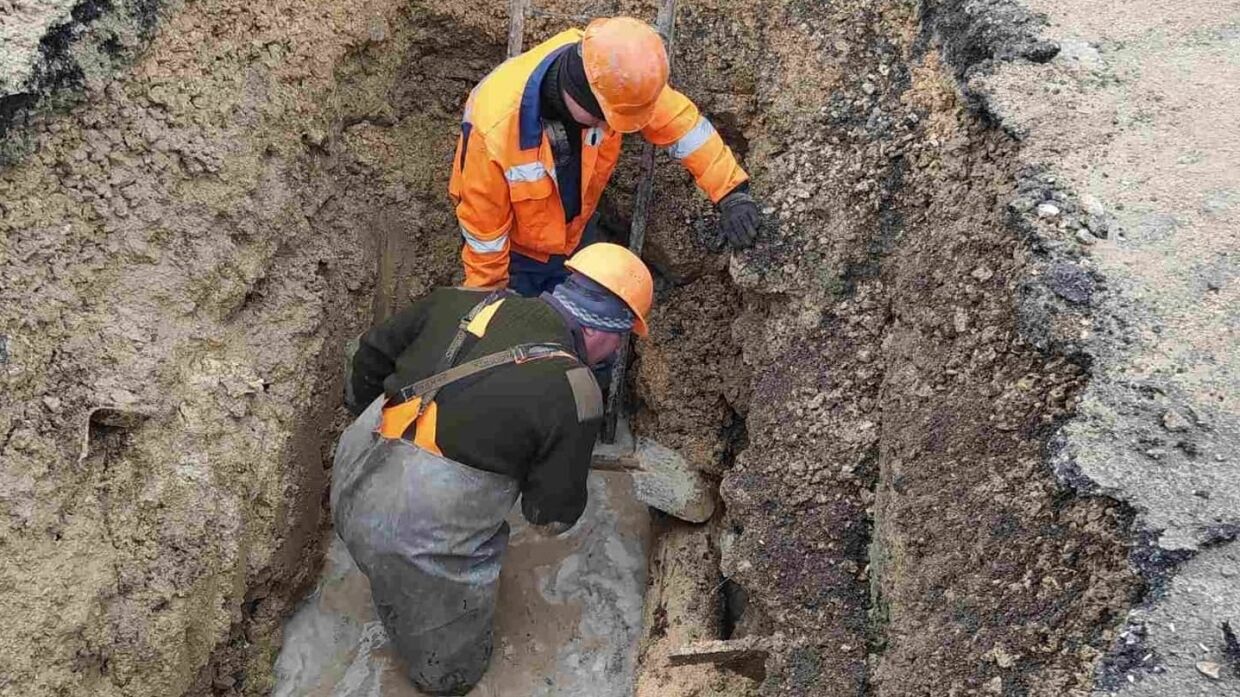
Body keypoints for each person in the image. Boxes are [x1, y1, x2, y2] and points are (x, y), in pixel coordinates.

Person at [331, 243, 653, 695]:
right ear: (602, 331)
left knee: (383, 562)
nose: (618, 349)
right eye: (623, 337)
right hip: (413, 539)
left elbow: (367, 361)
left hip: (350, 474)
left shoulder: (461, 299)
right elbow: (551, 517)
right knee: (451, 678)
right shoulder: (576, 390)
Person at [449, 16, 761, 297]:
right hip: (521, 259)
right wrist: (488, 300)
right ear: (585, 95)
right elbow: (484, 234)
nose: (611, 128)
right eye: (608, 120)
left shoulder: (618, 69)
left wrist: (731, 192)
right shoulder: (493, 131)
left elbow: (683, 127)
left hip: (579, 237)